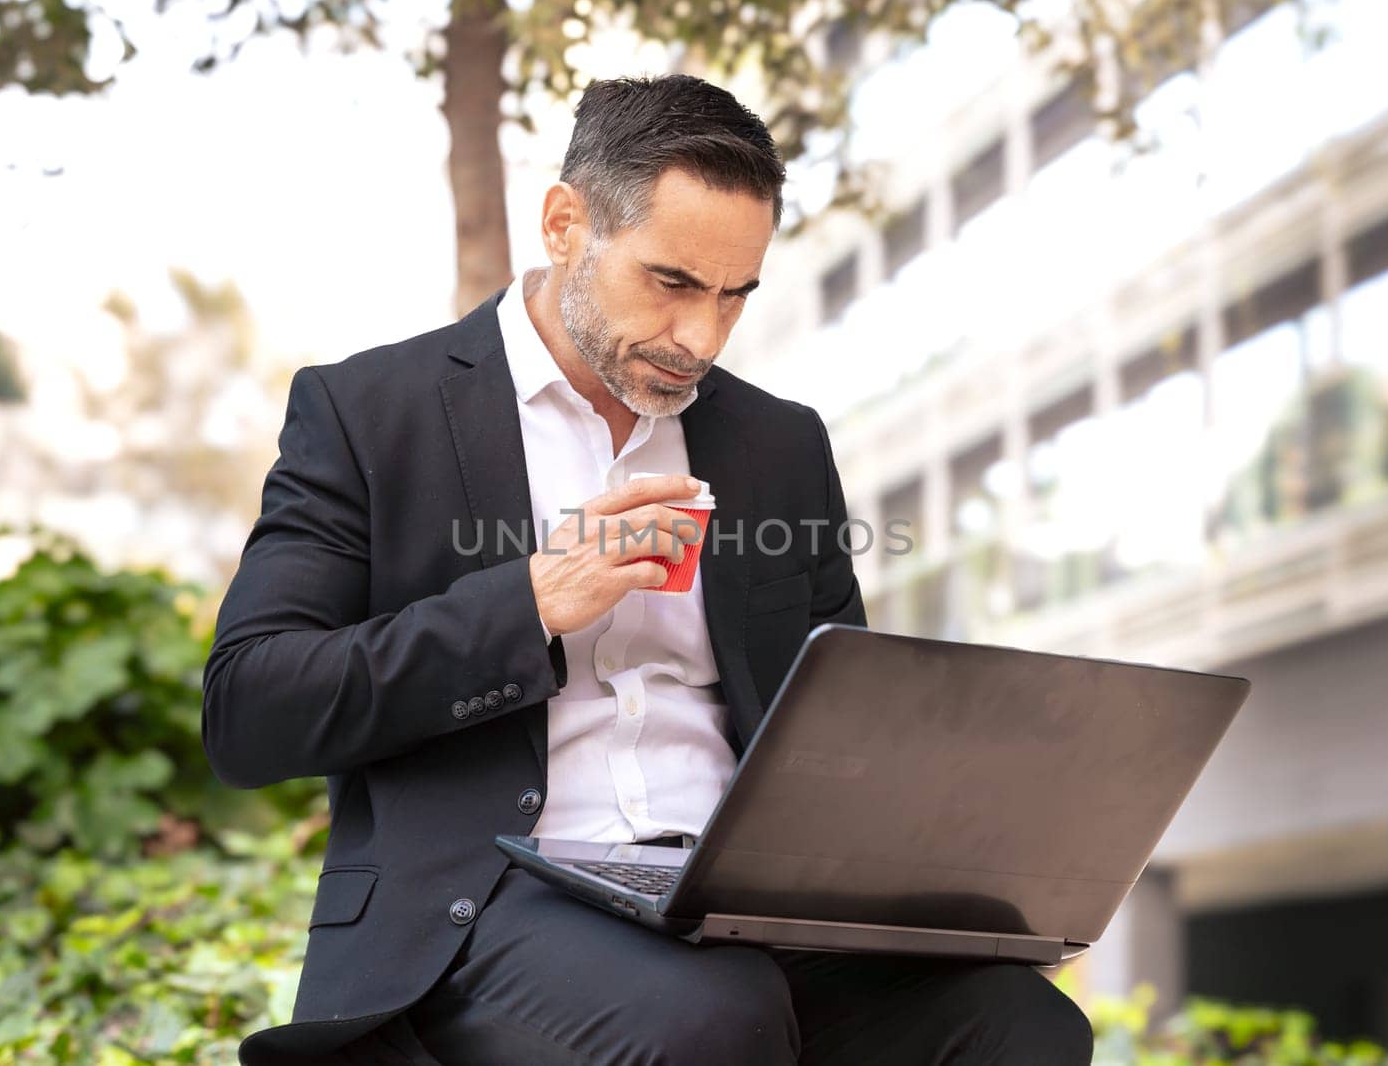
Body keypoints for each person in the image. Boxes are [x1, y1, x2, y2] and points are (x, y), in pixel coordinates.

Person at [203, 72, 1093, 1065]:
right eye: (671, 283)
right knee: (711, 1012)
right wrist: (531, 599)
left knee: (1020, 1023)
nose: (700, 338)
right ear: (563, 223)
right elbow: (252, 708)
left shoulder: (777, 444)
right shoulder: (371, 412)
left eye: (733, 296)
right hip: (491, 902)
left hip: (745, 908)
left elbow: (838, 720)